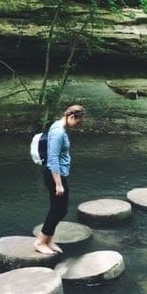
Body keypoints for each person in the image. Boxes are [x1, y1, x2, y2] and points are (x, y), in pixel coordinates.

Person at [34, 104, 85, 254]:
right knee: (58, 210)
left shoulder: (58, 126)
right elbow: (53, 159)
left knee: (59, 210)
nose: (77, 125)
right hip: (55, 176)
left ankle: (49, 240)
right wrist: (58, 184)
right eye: (78, 121)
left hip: (58, 175)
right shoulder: (58, 132)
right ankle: (40, 242)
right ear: (71, 117)